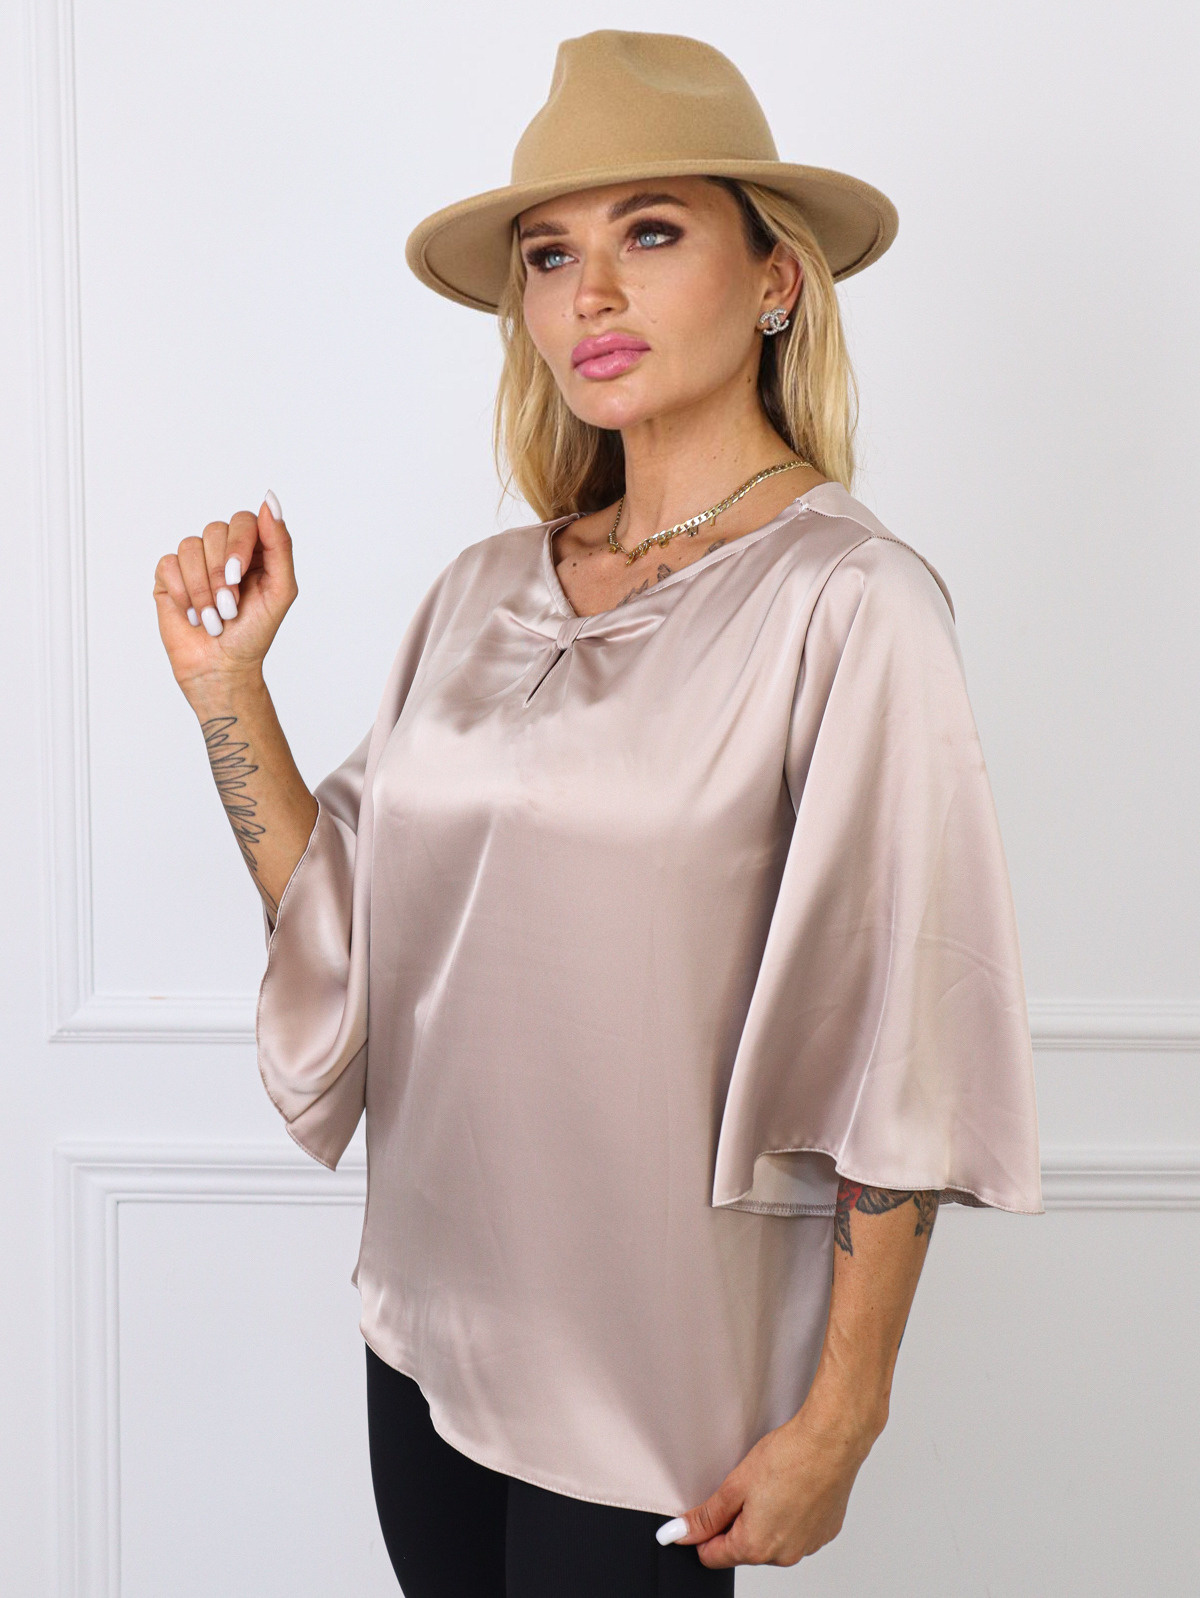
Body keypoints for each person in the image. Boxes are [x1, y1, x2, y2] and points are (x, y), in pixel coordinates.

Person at [152, 28, 1043, 1597]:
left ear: (775, 278)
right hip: (424, 1327)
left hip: (647, 1394)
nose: (592, 296)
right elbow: (345, 923)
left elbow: (904, 1025)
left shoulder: (851, 603)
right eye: (552, 256)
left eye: (652, 231)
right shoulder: (481, 590)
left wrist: (845, 1410)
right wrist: (229, 688)